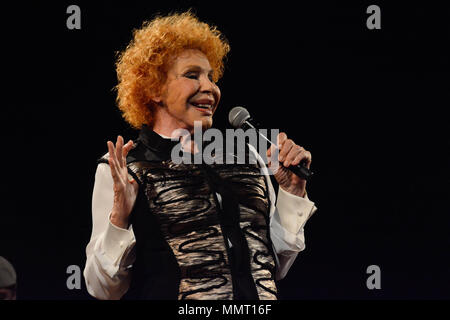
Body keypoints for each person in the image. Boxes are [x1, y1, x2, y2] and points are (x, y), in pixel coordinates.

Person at [83, 11, 317, 300]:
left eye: (211, 76)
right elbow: (102, 289)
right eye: (192, 75)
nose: (210, 87)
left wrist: (291, 193)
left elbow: (274, 267)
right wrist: (119, 216)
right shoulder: (123, 168)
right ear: (155, 89)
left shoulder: (248, 156)